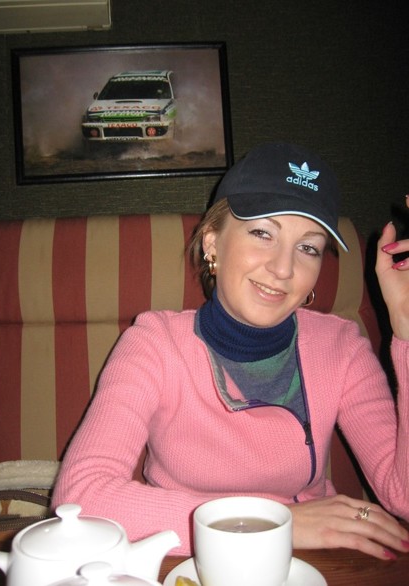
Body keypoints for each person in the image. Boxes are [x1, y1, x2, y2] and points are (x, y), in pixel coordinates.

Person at [53, 142, 409, 561]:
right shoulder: (155, 343)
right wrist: (274, 524)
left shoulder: (342, 347)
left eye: (308, 247)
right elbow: (81, 497)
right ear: (212, 243)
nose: (283, 268)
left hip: (307, 564)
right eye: (262, 233)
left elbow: (402, 496)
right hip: (186, 562)